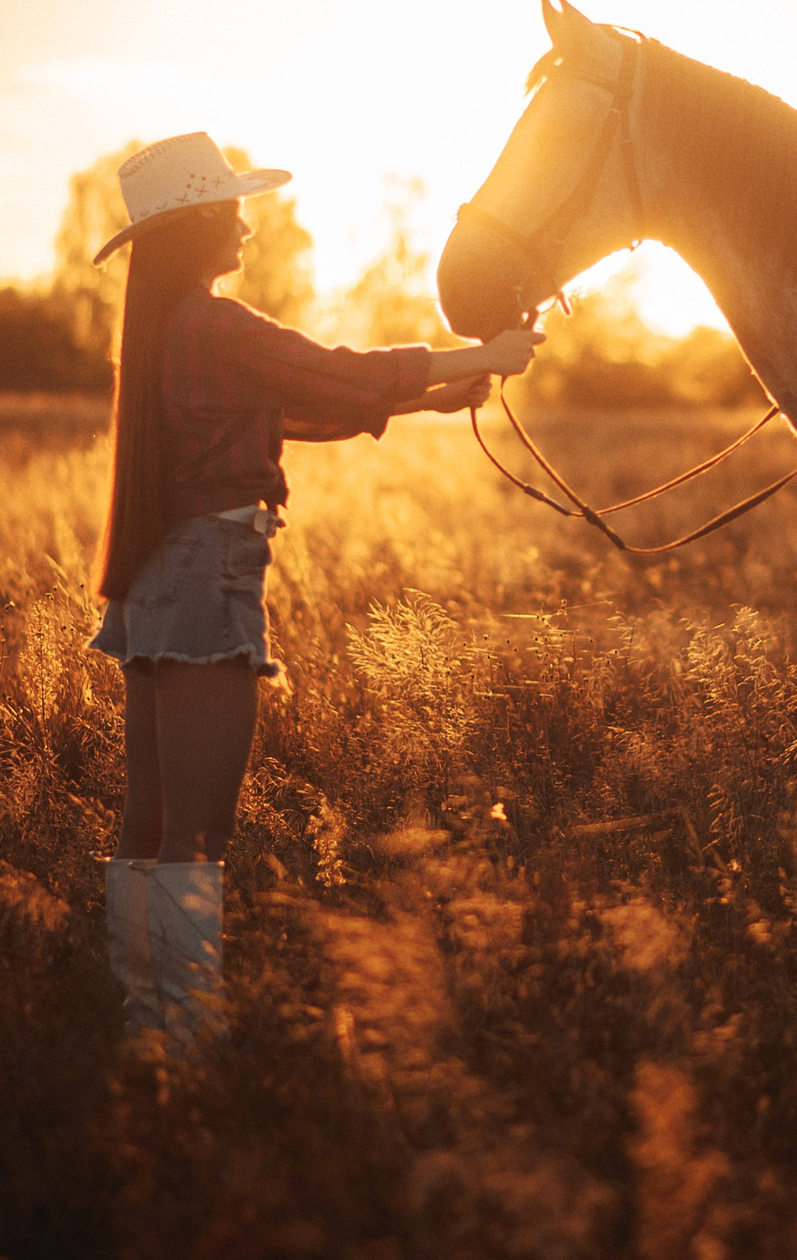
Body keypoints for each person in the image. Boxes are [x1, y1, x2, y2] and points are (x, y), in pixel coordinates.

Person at [87, 132, 539, 1043]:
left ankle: (140, 1020)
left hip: (153, 582)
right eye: (233, 208)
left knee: (150, 817)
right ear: (203, 222)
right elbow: (336, 372)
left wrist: (429, 399)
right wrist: (475, 356)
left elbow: (291, 403)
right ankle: (178, 1036)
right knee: (196, 835)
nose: (248, 226)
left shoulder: (169, 328)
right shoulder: (214, 324)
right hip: (210, 577)